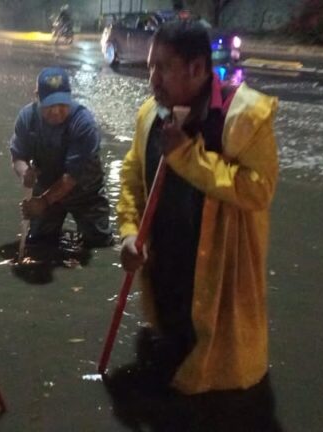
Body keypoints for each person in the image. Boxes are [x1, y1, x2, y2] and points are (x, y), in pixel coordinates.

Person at [117, 20, 279, 395]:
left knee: (220, 392)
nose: (153, 78)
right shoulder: (150, 115)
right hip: (166, 279)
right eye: (151, 66)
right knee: (167, 375)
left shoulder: (244, 119)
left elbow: (258, 190)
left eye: (164, 67)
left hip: (220, 286)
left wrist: (188, 157)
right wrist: (129, 233)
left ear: (197, 68)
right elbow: (132, 176)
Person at [11, 67, 113, 249]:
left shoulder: (83, 124)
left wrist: (43, 202)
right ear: (37, 97)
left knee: (98, 243)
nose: (56, 111)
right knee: (39, 242)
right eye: (49, 105)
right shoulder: (27, 119)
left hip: (85, 191)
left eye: (62, 104)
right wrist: (25, 172)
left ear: (70, 97)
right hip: (47, 184)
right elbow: (18, 157)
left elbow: (71, 178)